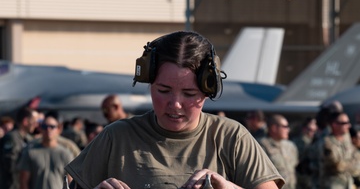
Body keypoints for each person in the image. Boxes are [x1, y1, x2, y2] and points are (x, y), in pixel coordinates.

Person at [65, 31, 285, 189]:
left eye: (189, 94)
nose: (175, 104)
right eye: (163, 90)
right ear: (150, 84)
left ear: (208, 91)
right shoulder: (116, 138)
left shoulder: (231, 138)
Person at [17, 111, 74, 189]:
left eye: (52, 126)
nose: (48, 129)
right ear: (40, 128)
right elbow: (23, 181)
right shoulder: (30, 152)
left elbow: (70, 182)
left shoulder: (66, 153)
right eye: (44, 126)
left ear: (58, 129)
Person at [319, 111, 360, 189]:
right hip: (333, 185)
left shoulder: (347, 141)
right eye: (345, 123)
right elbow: (337, 166)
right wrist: (354, 166)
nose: (349, 125)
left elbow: (357, 158)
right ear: (334, 125)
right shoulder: (327, 142)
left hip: (348, 184)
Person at [0, 107, 39, 189]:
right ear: (25, 121)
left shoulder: (28, 138)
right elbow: (10, 164)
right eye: (34, 121)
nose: (36, 125)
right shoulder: (12, 138)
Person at [259, 114, 298, 189]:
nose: (288, 130)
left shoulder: (290, 146)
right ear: (274, 128)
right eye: (285, 127)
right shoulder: (262, 145)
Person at [291, 117, 317, 189]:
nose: (312, 132)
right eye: (310, 130)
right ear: (304, 129)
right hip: (301, 176)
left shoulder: (316, 141)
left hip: (312, 177)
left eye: (314, 130)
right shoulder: (298, 141)